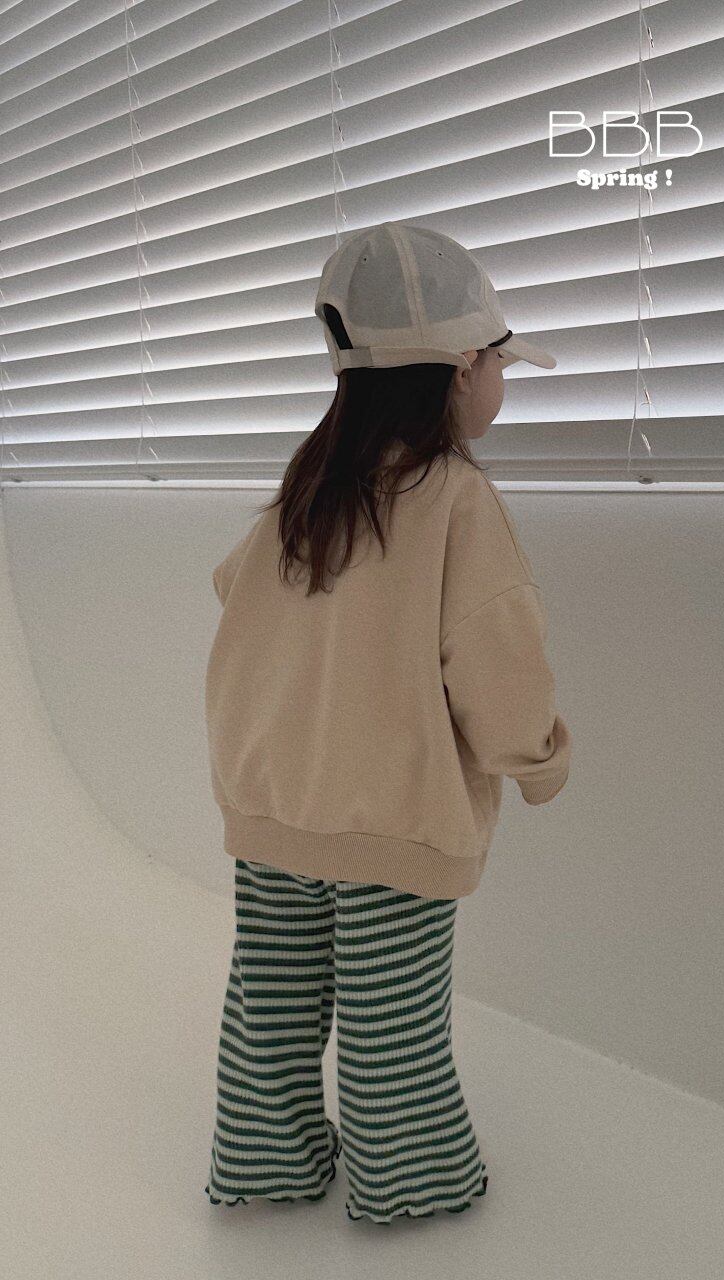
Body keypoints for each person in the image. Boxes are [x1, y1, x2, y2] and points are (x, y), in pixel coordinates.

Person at [201, 221, 572, 1224]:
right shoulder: (454, 500)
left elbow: (233, 592)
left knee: (270, 1010)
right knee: (390, 1026)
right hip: (395, 821)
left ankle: (266, 1164)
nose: (502, 382)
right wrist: (538, 761)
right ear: (461, 368)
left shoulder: (307, 489)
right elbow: (496, 661)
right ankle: (412, 1183)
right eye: (501, 362)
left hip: (273, 809)